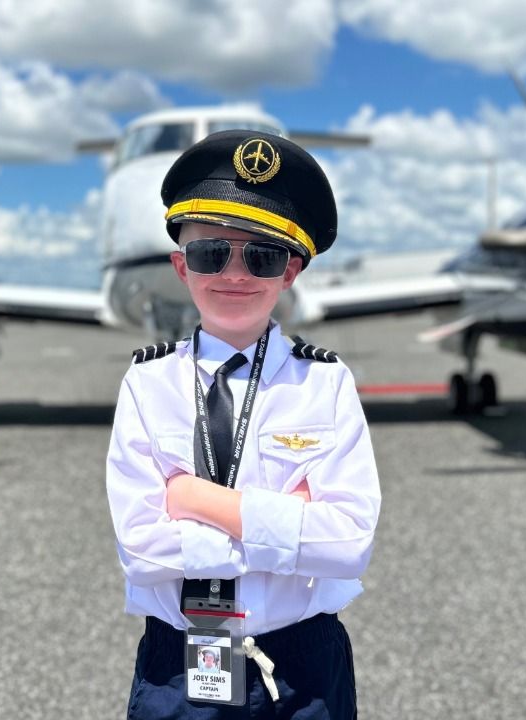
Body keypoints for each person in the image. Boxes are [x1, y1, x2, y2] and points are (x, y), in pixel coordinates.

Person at [105, 129, 381, 719]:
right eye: (210, 253)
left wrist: (193, 499)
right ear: (182, 266)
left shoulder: (327, 383)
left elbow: (349, 543)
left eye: (263, 255)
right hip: (178, 665)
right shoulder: (147, 384)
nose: (235, 273)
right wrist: (289, 527)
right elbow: (140, 551)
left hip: (302, 666)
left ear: (291, 272)